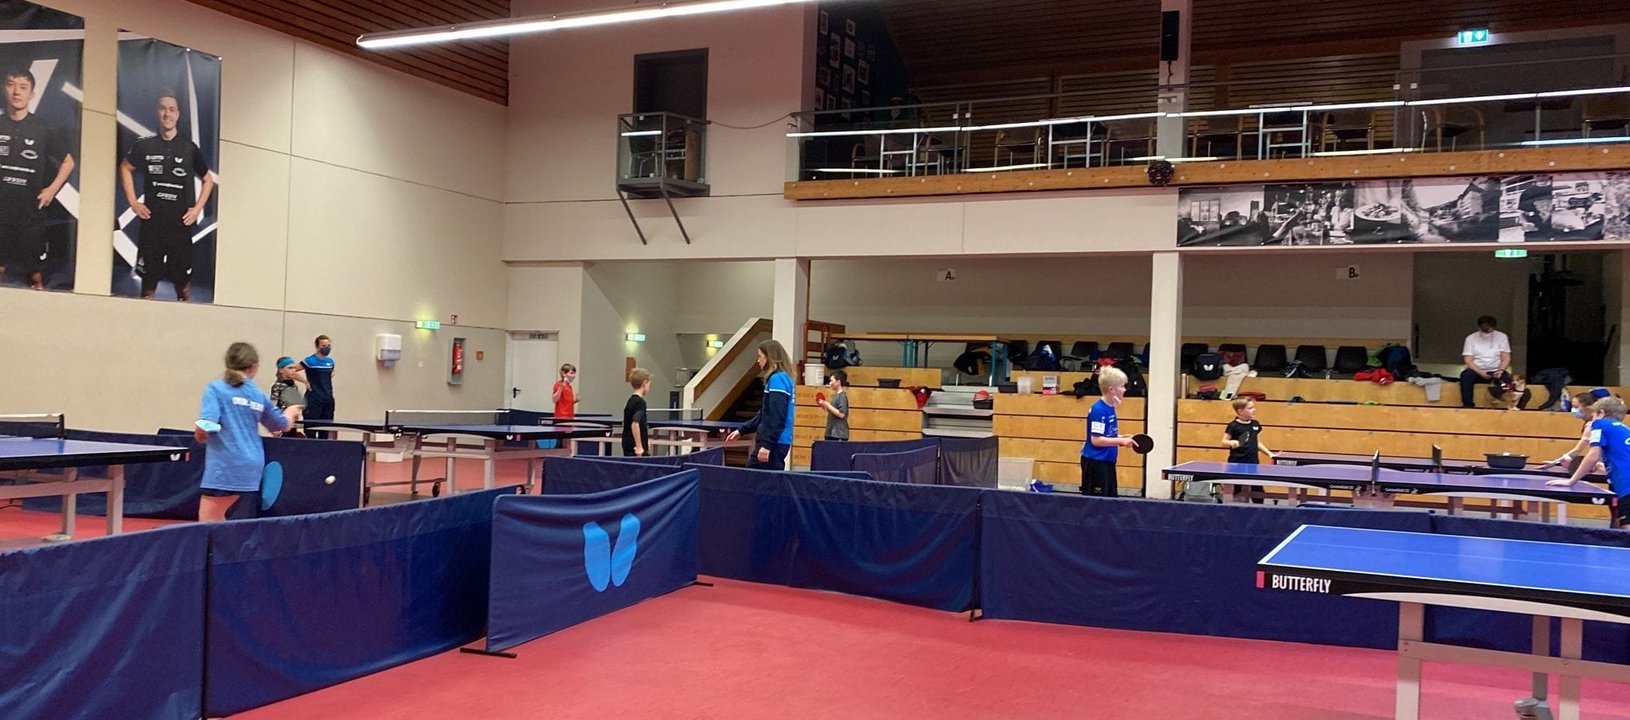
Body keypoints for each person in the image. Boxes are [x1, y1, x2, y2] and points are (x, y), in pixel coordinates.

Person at [119, 89, 216, 301]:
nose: (167, 114)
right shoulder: (144, 145)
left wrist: (197, 209)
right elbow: (125, 167)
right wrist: (133, 202)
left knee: (183, 289)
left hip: (179, 229)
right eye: (163, 109)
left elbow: (208, 180)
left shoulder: (189, 148)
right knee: (148, 290)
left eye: (172, 109)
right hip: (151, 228)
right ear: (157, 112)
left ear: (178, 114)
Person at [193, 342, 295, 522]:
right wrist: (292, 411)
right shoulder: (258, 394)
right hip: (251, 469)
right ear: (254, 366)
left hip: (224, 467)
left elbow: (206, 425)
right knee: (240, 528)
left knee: (209, 528)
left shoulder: (216, 389)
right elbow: (281, 426)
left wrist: (200, 436)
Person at [0, 67, 75, 291]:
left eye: (23, 87)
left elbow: (68, 162)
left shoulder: (42, 128)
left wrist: (51, 190)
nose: (16, 92)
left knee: (35, 277)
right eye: (11, 85)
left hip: (30, 214)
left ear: (31, 94)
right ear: (4, 89)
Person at [1548, 397, 1630, 525]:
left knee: (1626, 528)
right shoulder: (1624, 429)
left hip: (1626, 485)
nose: (1592, 418)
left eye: (1594, 414)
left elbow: (1593, 455)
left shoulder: (1600, 424)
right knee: (1619, 523)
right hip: (1622, 483)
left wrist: (1571, 481)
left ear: (1601, 413)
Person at [726, 339, 796, 469]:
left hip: (774, 442)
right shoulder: (780, 378)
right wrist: (742, 430)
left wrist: (767, 445)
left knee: (754, 478)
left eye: (760, 356)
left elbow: (777, 416)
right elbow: (763, 415)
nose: (758, 361)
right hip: (775, 441)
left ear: (769, 358)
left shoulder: (778, 379)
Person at [1080, 366, 1136, 497]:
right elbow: (1096, 440)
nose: (1125, 389)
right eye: (1122, 386)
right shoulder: (1099, 409)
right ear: (1112, 389)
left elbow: (1106, 434)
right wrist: (1120, 440)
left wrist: (1122, 437)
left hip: (1107, 462)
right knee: (1097, 504)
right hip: (1096, 464)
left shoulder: (1110, 407)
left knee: (1110, 502)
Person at [1459, 315, 1512, 408]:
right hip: (1476, 370)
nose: (1487, 331)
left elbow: (1506, 358)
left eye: (1489, 329)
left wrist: (1500, 370)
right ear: (1479, 327)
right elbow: (1468, 360)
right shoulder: (1471, 338)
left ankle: (1504, 405)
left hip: (1496, 370)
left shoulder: (1502, 337)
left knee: (1507, 380)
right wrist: (1481, 372)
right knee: (1465, 376)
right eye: (1484, 329)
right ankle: (1468, 405)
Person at [301, 335, 336, 438]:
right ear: (317, 347)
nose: (326, 348)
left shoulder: (330, 362)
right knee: (311, 430)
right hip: (314, 399)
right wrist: (305, 381)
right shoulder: (310, 360)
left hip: (327, 399)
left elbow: (332, 372)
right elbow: (293, 371)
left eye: (328, 345)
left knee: (325, 430)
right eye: (324, 346)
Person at [268, 357, 307, 436]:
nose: (293, 370)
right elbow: (273, 405)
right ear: (281, 370)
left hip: (292, 422)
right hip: (281, 421)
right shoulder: (278, 386)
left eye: (294, 368)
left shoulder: (294, 386)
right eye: (290, 368)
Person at [622, 368, 650, 457]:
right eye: (649, 384)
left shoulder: (630, 401)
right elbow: (635, 423)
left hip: (627, 444)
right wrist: (639, 446)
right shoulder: (640, 403)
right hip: (635, 448)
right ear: (644, 384)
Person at [818, 369, 849, 441]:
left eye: (832, 380)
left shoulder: (842, 396)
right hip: (831, 433)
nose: (830, 383)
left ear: (838, 382)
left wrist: (827, 404)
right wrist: (823, 405)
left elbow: (841, 414)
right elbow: (832, 411)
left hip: (839, 434)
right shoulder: (836, 396)